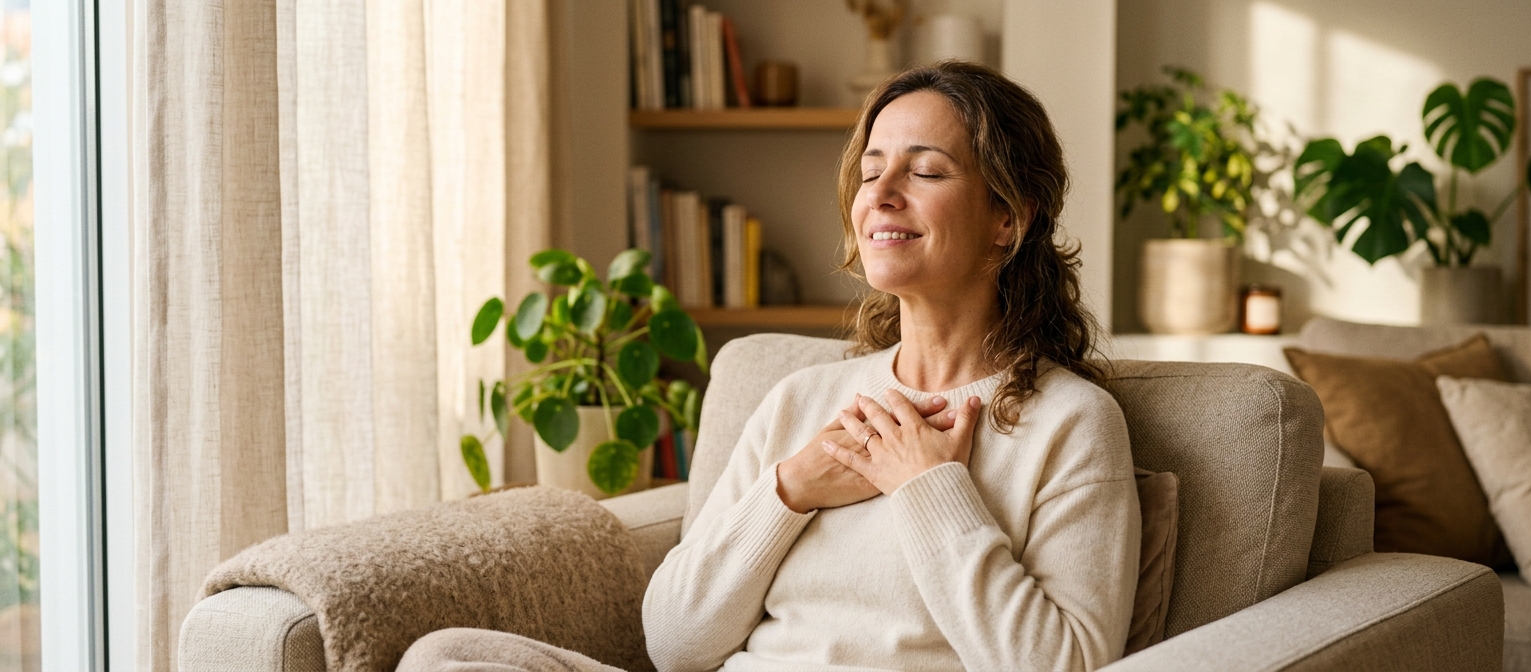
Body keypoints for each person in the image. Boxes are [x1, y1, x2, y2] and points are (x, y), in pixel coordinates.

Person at [398, 61, 1139, 672]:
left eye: (927, 172)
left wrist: (930, 487)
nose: (879, 195)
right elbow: (678, 643)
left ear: (1009, 216)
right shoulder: (802, 400)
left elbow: (1063, 664)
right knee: (448, 657)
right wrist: (791, 489)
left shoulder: (1068, 423)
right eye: (871, 169)